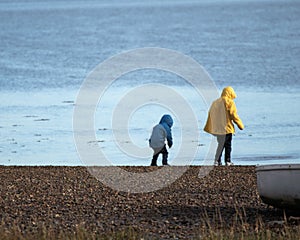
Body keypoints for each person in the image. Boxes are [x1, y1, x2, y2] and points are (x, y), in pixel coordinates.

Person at [204, 86, 244, 166]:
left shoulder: (215, 102)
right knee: (228, 145)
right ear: (231, 93)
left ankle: (217, 161)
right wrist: (240, 125)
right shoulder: (230, 102)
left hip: (218, 129)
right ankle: (227, 161)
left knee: (220, 144)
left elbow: (211, 115)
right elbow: (233, 115)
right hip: (227, 128)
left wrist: (211, 127)